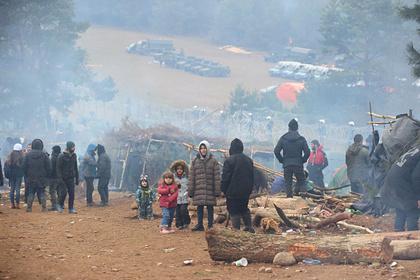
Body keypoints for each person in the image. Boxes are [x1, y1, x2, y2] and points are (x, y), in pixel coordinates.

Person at [380, 146, 420, 231]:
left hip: (393, 179)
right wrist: (418, 198)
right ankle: (412, 237)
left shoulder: (416, 149)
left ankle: (398, 232)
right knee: (413, 209)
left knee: (401, 208)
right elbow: (416, 177)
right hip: (401, 182)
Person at [221, 138, 255, 233]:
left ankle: (236, 232)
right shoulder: (249, 160)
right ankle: (249, 227)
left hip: (232, 192)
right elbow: (252, 177)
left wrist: (223, 190)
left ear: (231, 148)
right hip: (245, 192)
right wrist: (250, 190)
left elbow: (225, 178)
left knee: (234, 212)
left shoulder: (229, 161)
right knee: (244, 209)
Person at [188, 140, 221, 231]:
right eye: (201, 148)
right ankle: (200, 225)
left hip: (210, 188)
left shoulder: (213, 161)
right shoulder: (195, 161)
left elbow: (217, 177)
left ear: (208, 149)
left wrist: (217, 190)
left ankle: (210, 225)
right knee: (199, 207)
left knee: (210, 207)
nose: (203, 150)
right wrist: (190, 190)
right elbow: (191, 177)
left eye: (204, 148)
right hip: (198, 188)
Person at [274, 119, 310, 198]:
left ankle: (289, 199)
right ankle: (304, 199)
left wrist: (282, 160)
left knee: (288, 183)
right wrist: (302, 160)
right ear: (297, 128)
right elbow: (307, 152)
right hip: (298, 164)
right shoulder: (301, 139)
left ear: (289, 128)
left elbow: (276, 151)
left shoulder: (283, 138)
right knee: (302, 182)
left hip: (287, 164)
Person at [22, 139, 51, 212]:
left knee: (31, 192)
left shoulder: (28, 155)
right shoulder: (44, 155)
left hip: (31, 177)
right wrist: (47, 176)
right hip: (42, 178)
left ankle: (29, 208)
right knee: (42, 192)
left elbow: (24, 167)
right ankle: (44, 208)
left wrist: (27, 175)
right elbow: (49, 167)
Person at [57, 141, 79, 214]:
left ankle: (71, 208)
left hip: (71, 178)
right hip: (63, 178)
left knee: (72, 193)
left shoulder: (74, 156)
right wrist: (60, 179)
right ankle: (60, 205)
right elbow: (58, 168)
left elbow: (75, 167)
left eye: (74, 147)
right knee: (63, 193)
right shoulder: (61, 156)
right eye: (73, 147)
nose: (74, 148)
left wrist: (77, 178)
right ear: (69, 147)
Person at [170, 160, 191, 229]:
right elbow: (170, 186)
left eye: (181, 169)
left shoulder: (186, 177)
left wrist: (189, 195)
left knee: (183, 210)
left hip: (185, 196)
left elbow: (190, 186)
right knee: (177, 212)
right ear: (176, 170)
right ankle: (179, 224)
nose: (179, 170)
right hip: (176, 197)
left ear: (183, 170)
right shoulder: (173, 178)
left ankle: (186, 222)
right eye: (178, 169)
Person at [4, 143, 24, 209]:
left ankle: (12, 204)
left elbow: (6, 165)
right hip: (19, 175)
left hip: (11, 176)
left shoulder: (10, 156)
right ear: (20, 149)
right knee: (17, 189)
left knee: (12, 189)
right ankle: (18, 204)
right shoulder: (21, 157)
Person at [48, 145, 61, 211]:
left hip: (53, 177)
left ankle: (54, 206)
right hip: (60, 177)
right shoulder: (61, 157)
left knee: (52, 191)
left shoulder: (53, 158)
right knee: (59, 191)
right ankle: (60, 205)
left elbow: (51, 169)